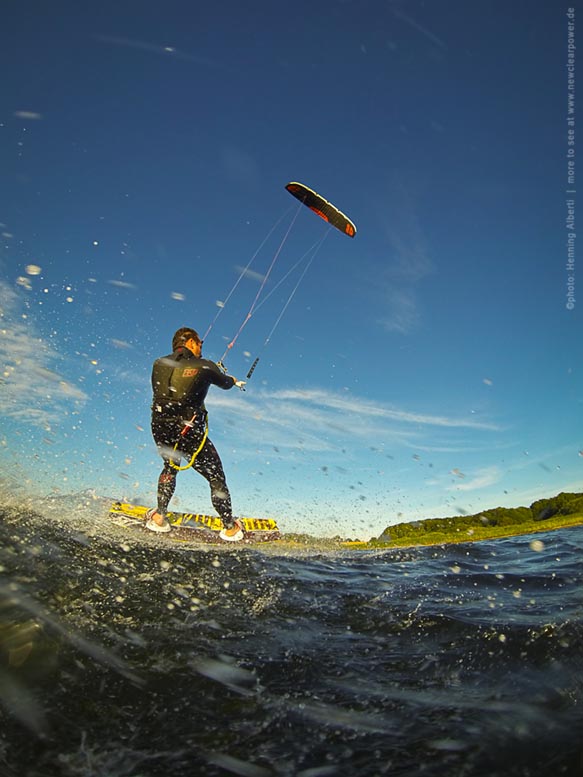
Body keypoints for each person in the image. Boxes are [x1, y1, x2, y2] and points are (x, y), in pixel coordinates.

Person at [148, 326, 246, 542]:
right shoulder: (204, 365)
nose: (202, 345)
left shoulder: (158, 363)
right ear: (190, 342)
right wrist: (231, 379)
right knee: (216, 477)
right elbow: (225, 383)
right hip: (188, 429)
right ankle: (230, 527)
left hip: (160, 426)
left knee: (170, 467)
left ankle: (159, 516)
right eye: (199, 342)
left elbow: (176, 386)